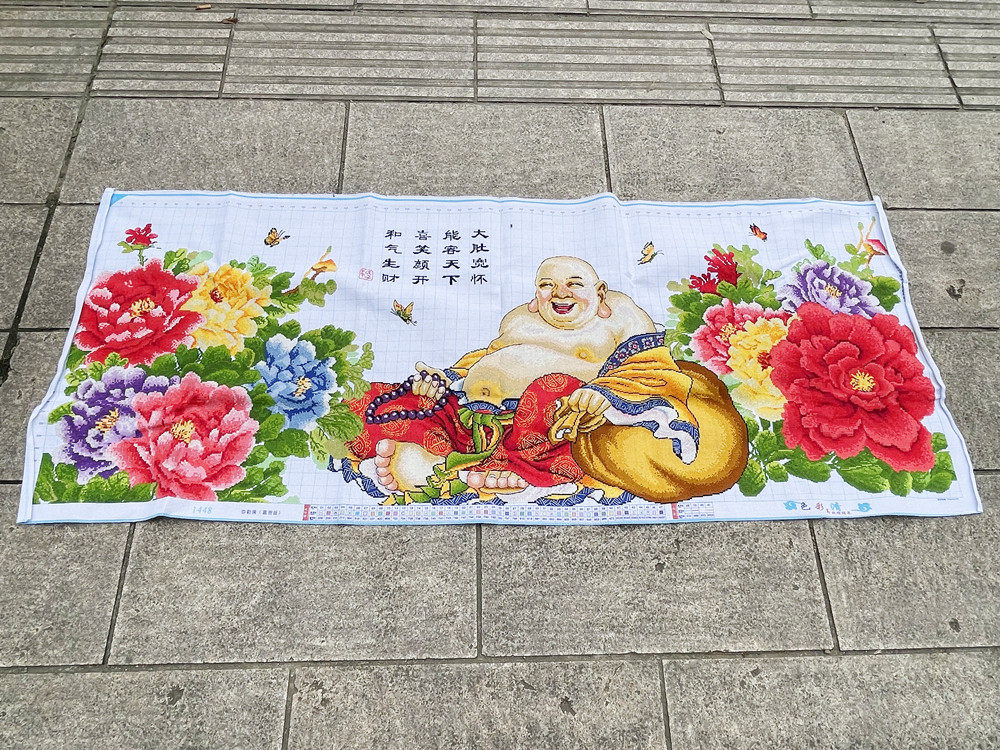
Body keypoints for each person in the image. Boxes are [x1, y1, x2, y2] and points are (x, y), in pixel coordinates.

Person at [346, 256, 748, 503]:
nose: (560, 293)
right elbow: (484, 359)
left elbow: (650, 368)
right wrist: (443, 379)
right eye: (547, 285)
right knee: (375, 401)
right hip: (476, 414)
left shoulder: (620, 318)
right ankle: (443, 459)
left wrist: (604, 393)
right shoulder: (521, 320)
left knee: (551, 388)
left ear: (600, 292)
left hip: (545, 424)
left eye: (574, 285)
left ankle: (472, 471)